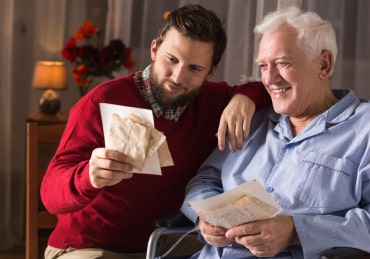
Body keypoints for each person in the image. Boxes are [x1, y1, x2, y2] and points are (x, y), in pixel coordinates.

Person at [40, 4, 269, 259]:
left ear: (210, 71)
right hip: (89, 246)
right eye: (171, 59)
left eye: (195, 68)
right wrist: (89, 177)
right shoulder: (103, 100)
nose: (178, 77)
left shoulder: (214, 101)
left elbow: (266, 89)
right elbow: (50, 195)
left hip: (164, 245)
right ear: (154, 49)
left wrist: (244, 98)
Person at [181, 6, 370, 259]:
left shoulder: (364, 128)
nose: (269, 79)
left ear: (324, 65)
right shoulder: (255, 120)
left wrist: (296, 231)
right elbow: (206, 180)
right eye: (262, 66)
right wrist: (204, 216)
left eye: (282, 63)